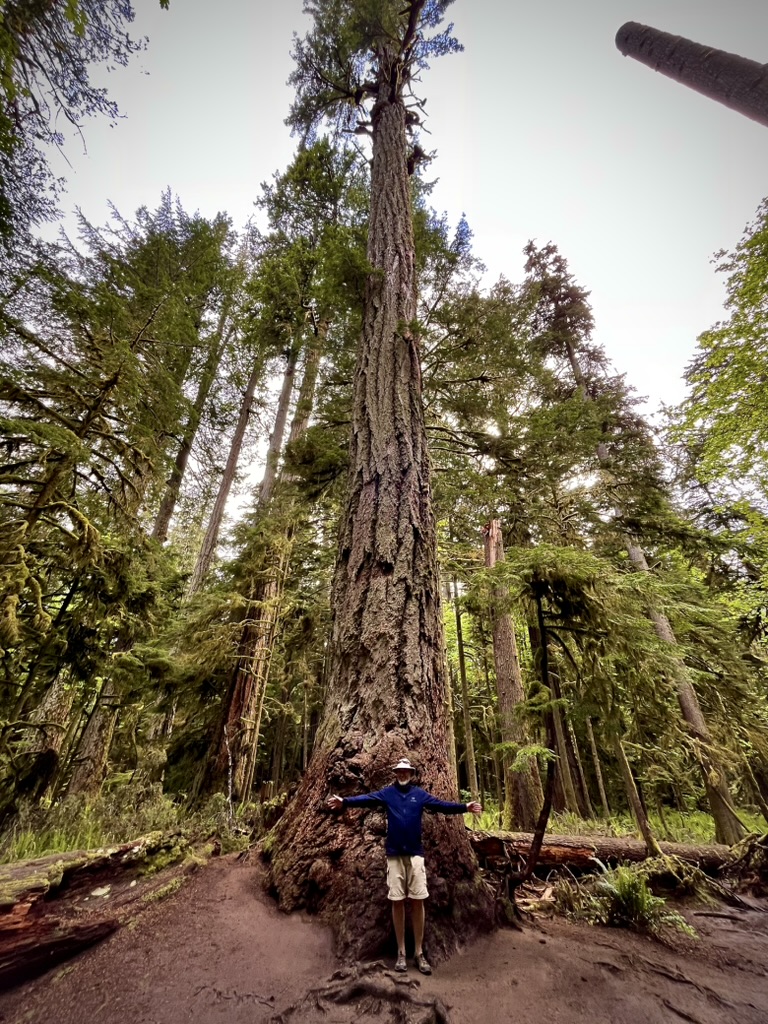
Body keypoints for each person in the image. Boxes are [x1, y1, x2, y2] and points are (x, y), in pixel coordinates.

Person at [327, 757, 482, 974]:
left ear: (411, 774)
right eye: (399, 771)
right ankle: (401, 952)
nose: (402, 774)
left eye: (406, 771)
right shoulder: (388, 794)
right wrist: (344, 801)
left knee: (418, 900)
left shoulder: (419, 795)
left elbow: (441, 805)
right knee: (397, 901)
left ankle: (419, 952)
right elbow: (367, 799)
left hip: (415, 855)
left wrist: (465, 807)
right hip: (394, 856)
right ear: (395, 773)